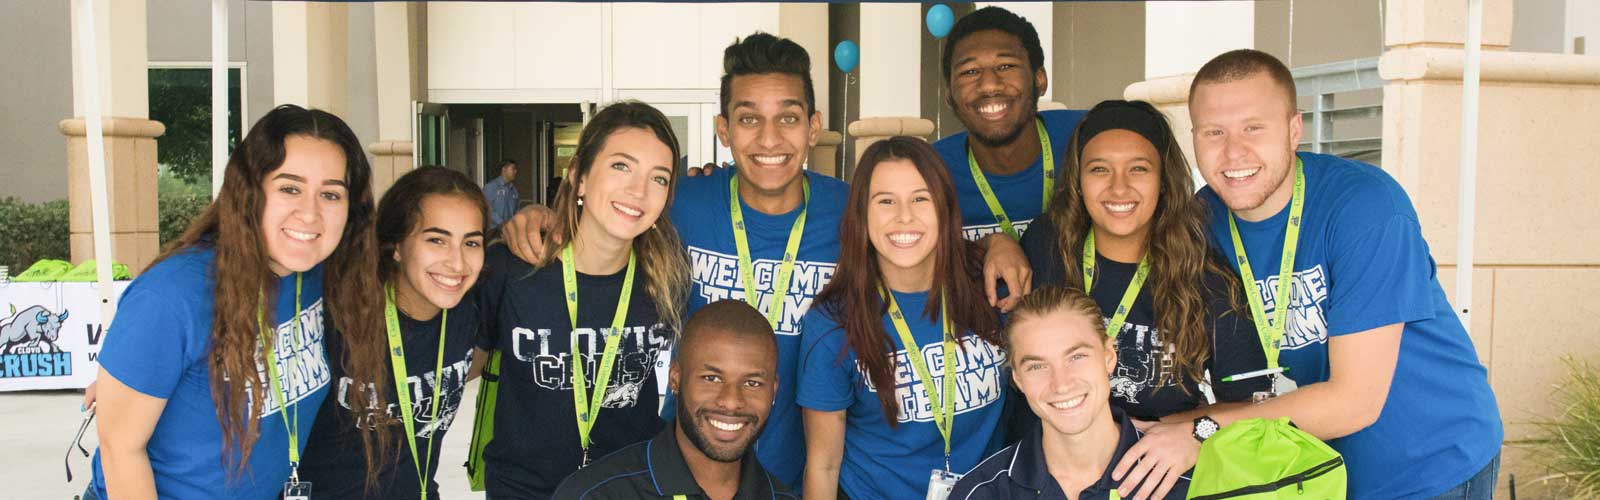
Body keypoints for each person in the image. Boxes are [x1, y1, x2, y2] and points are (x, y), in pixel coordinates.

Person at [496, 32, 853, 488]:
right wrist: (544, 216)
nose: (769, 138)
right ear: (723, 130)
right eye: (748, 119)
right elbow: (615, 213)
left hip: (796, 477)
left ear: (814, 126)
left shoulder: (852, 214)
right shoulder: (678, 202)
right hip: (676, 474)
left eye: (788, 117)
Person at [1168, 49, 1502, 499]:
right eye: (1214, 132)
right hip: (1312, 470)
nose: (1233, 152)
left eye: (1253, 127)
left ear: (1293, 130)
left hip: (1429, 462)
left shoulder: (1365, 207)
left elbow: (1355, 400)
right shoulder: (1198, 222)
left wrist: (1199, 429)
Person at [86, 105, 390, 499]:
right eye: (289, 188)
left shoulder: (322, 274)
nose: (311, 213)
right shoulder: (172, 295)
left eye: (331, 194)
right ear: (249, 192)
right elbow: (120, 448)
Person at [1018, 100, 1269, 499]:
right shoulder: (1049, 246)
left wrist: (1193, 433)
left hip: (1158, 481)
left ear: (1164, 181)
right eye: (1100, 169)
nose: (1119, 187)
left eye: (1139, 168)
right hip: (1049, 479)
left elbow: (1257, 407)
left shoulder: (1206, 278)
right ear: (1077, 180)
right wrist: (997, 245)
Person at [473, 100, 688, 499]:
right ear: (579, 176)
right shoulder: (514, 267)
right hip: (524, 490)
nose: (638, 191)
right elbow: (457, 367)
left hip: (626, 487)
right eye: (621, 166)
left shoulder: (668, 278)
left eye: (658, 178)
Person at [798, 137, 1006, 500]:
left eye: (920, 198)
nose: (904, 216)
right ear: (862, 213)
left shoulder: (990, 288)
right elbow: (823, 465)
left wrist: (1003, 241)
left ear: (945, 207)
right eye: (886, 201)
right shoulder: (833, 322)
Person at [297, 166, 489, 499]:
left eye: (471, 242)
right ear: (397, 246)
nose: (457, 263)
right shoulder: (338, 318)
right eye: (436, 240)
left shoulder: (470, 309)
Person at [950, 285, 1189, 500]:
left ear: (1108, 357)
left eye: (1076, 357)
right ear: (1018, 380)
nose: (1061, 384)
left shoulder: (1187, 481)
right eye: (1037, 366)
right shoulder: (980, 492)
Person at [552, 300, 799, 500]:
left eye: (752, 383)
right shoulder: (595, 494)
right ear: (675, 379)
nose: (731, 401)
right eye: (711, 378)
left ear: (774, 390)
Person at [932, 5, 1086, 309]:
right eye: (970, 72)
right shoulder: (929, 170)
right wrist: (989, 244)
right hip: (976, 348)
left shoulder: (1088, 139)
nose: (989, 85)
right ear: (950, 94)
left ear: (1039, 79)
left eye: (1006, 66)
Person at [485, 159, 520, 229]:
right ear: (504, 169)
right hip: (493, 231)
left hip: (509, 231)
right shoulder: (491, 187)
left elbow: (516, 210)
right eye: (513, 169)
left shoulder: (514, 191)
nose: (515, 172)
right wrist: (501, 223)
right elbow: (486, 208)